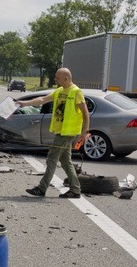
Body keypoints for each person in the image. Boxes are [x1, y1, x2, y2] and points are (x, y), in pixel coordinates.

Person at [17, 67, 90, 198]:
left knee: (51, 159)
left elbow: (85, 113)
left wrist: (85, 132)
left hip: (67, 132)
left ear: (66, 78)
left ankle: (42, 188)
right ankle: (75, 189)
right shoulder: (60, 91)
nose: (55, 79)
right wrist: (24, 103)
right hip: (61, 131)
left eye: (57, 77)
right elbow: (42, 100)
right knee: (65, 162)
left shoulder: (76, 92)